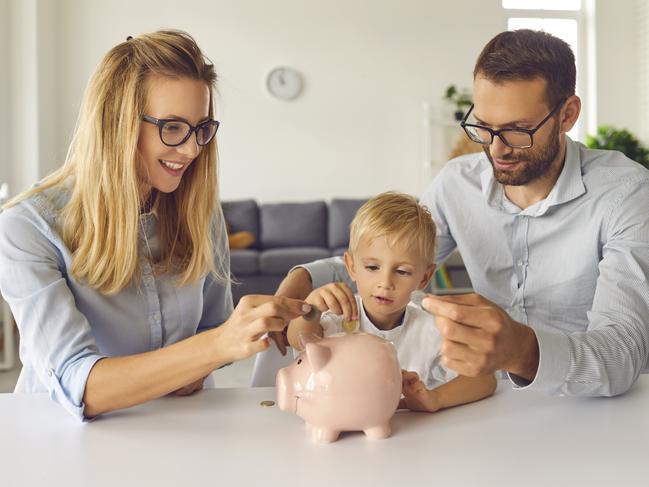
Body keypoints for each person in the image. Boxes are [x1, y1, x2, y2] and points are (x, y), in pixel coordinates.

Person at [273, 29, 649, 397]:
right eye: (484, 127)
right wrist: (306, 277)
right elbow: (393, 258)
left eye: (518, 130)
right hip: (488, 399)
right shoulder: (457, 183)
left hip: (594, 407)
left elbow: (624, 353)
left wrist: (523, 352)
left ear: (567, 115)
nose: (496, 150)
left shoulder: (625, 194)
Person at [0, 30, 311, 421]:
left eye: (200, 129)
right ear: (116, 124)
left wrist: (221, 349)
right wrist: (215, 347)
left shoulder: (201, 212)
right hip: (65, 442)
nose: (191, 149)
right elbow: (79, 385)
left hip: (180, 430)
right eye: (172, 127)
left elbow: (212, 327)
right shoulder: (27, 228)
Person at [286, 192, 496, 412]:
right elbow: (298, 340)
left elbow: (485, 379)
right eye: (372, 268)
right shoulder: (339, 315)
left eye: (403, 271)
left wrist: (435, 399)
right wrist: (312, 308)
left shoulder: (430, 325)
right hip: (342, 426)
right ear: (351, 266)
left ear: (424, 277)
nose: (385, 283)